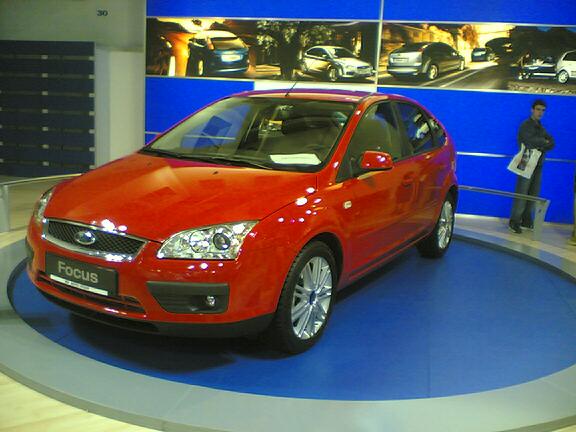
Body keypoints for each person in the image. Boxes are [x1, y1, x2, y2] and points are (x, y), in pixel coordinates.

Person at [509, 99, 555, 234]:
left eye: (543, 110)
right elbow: (530, 142)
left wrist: (542, 143)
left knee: (534, 193)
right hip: (526, 160)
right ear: (532, 110)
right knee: (522, 192)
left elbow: (552, 143)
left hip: (539, 162)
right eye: (538, 109)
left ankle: (526, 220)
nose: (540, 112)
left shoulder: (541, 127)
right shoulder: (526, 125)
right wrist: (544, 142)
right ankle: (514, 221)